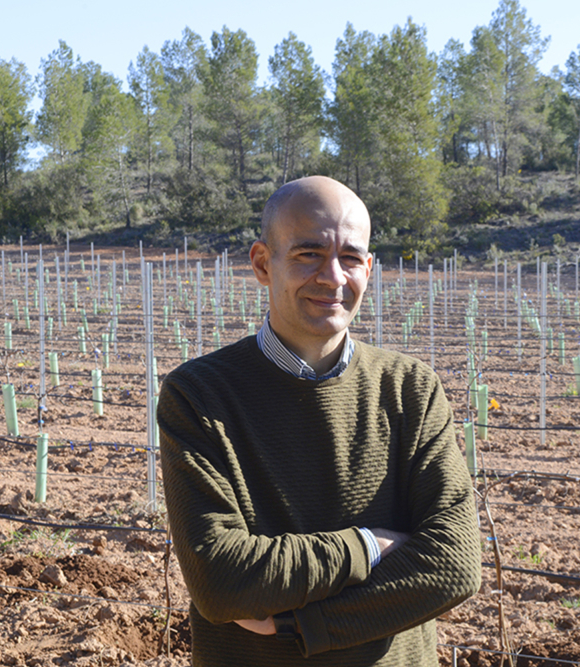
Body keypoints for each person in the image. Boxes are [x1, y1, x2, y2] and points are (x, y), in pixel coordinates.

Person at [158, 176, 481, 666]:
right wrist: (371, 544)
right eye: (308, 254)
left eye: (350, 258)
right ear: (264, 264)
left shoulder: (410, 389)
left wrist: (302, 627)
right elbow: (222, 580)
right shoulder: (200, 395)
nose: (332, 277)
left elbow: (454, 564)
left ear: (368, 268)